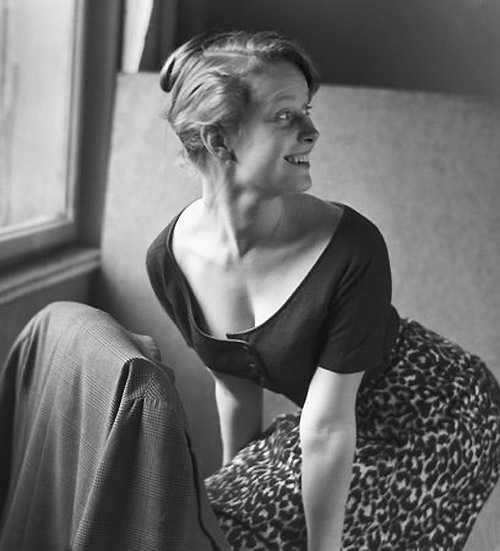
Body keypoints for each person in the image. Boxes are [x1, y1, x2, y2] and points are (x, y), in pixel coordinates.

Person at [146, 30, 500, 551]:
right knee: (215, 529)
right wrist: (229, 499)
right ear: (219, 140)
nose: (312, 132)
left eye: (307, 111)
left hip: (438, 412)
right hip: (328, 421)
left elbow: (329, 427)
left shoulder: (352, 246)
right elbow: (234, 386)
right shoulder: (168, 261)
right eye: (285, 115)